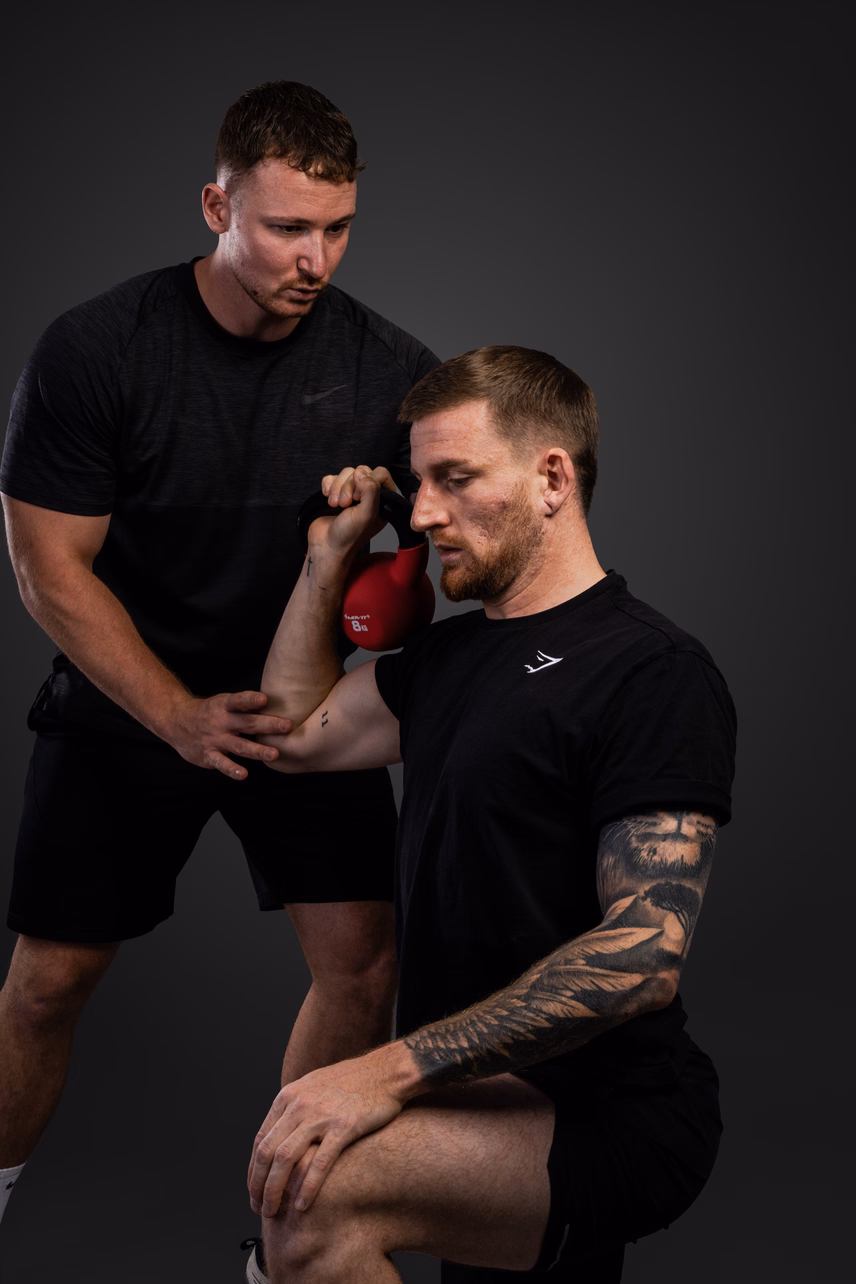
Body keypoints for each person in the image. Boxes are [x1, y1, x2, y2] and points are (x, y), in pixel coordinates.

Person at [0, 80, 438, 1229]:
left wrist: (372, 561)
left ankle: (286, 1237)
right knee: (46, 986)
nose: (316, 257)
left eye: (337, 226)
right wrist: (178, 714)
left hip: (298, 717)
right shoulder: (99, 348)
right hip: (124, 699)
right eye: (287, 227)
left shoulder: (394, 371)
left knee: (364, 969)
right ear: (215, 204)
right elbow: (51, 571)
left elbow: (428, 588)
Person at [243, 346, 737, 1283]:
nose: (424, 513)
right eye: (420, 481)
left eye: (455, 478)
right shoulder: (445, 663)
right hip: (475, 1087)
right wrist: (330, 559)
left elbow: (645, 955)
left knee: (317, 1193)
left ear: (553, 477)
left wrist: (382, 1071)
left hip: (610, 1108)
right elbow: (293, 729)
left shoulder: (650, 670)